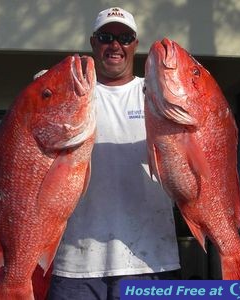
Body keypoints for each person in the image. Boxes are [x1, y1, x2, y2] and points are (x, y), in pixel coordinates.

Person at [48, 7, 180, 300]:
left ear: (135, 44)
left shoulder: (158, 94)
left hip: (151, 260)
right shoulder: (70, 94)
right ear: (94, 43)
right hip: (76, 265)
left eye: (125, 37)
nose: (115, 45)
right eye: (106, 37)